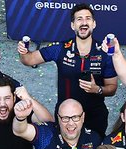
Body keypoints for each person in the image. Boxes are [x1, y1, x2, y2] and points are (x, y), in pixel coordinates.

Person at [18, 3, 117, 135]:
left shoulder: (104, 52)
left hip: (95, 116)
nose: (84, 23)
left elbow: (112, 88)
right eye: (79, 19)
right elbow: (28, 60)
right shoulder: (61, 48)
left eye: (88, 18)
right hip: (65, 117)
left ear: (94, 24)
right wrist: (23, 51)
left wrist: (97, 89)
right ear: (72, 25)